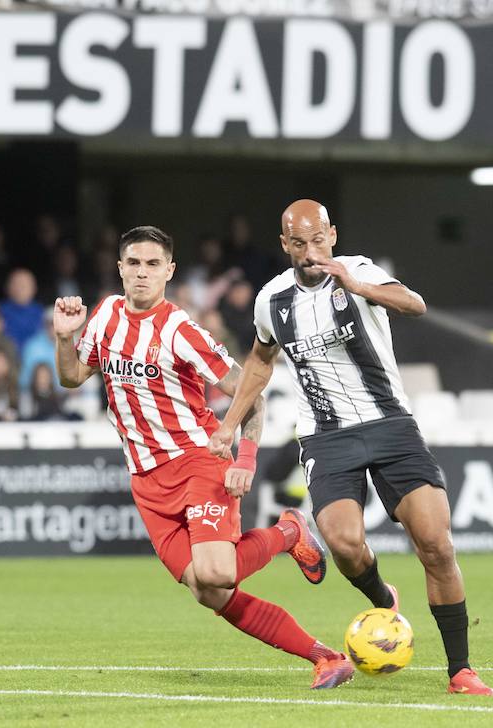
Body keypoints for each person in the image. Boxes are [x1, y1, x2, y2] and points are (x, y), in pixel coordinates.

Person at [209, 199, 493, 697]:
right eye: (298, 243)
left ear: (333, 235)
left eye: (318, 239)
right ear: (285, 245)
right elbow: (259, 363)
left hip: (390, 426)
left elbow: (415, 304)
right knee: (343, 543)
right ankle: (382, 596)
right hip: (327, 436)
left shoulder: (359, 271)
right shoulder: (271, 300)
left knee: (436, 544)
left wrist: (357, 286)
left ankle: (461, 671)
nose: (310, 251)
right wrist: (229, 426)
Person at [53, 225, 352, 690]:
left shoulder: (181, 330)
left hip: (198, 461)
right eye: (133, 263)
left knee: (217, 570)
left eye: (153, 265)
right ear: (119, 268)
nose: (142, 273)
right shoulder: (106, 316)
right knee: (210, 592)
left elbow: (252, 393)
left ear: (169, 272)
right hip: (146, 481)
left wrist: (245, 458)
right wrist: (66, 338)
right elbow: (72, 377)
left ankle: (289, 530)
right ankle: (325, 656)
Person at [0, 268, 44, 352]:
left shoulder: (41, 313)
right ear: (7, 287)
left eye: (24, 285)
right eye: (16, 284)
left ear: (34, 288)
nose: (19, 289)